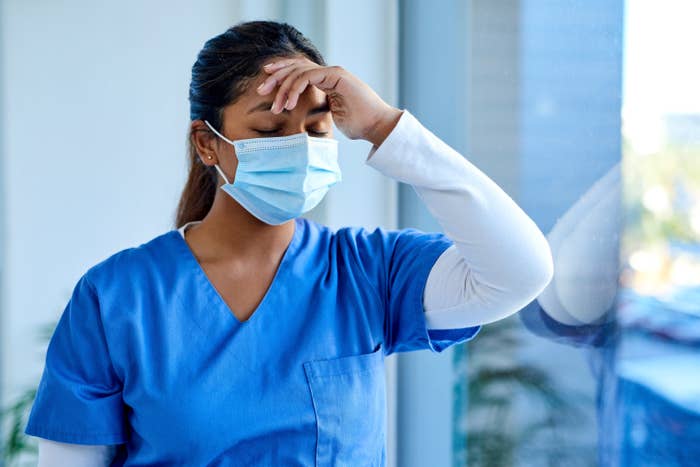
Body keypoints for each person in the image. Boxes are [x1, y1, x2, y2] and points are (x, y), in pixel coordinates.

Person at [23, 20, 553, 466]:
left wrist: (383, 126)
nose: (299, 148)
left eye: (316, 127)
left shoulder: (369, 271)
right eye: (271, 131)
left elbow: (521, 271)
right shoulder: (116, 297)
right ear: (208, 144)